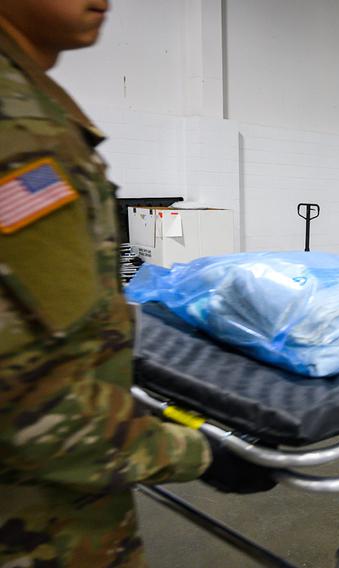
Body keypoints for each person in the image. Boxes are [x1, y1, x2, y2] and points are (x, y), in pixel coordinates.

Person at [0, 3, 273, 566]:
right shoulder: (18, 130)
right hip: (35, 525)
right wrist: (199, 453)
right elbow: (27, 409)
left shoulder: (34, 101)